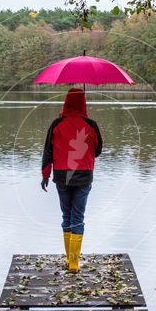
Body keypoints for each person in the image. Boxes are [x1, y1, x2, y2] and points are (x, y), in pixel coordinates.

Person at [41, 88, 103, 272]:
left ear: (66, 102)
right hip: (84, 176)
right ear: (83, 103)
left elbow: (47, 152)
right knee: (78, 217)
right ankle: (74, 264)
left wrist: (45, 175)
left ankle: (69, 259)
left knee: (66, 216)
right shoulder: (91, 125)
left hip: (61, 176)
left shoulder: (56, 124)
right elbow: (98, 150)